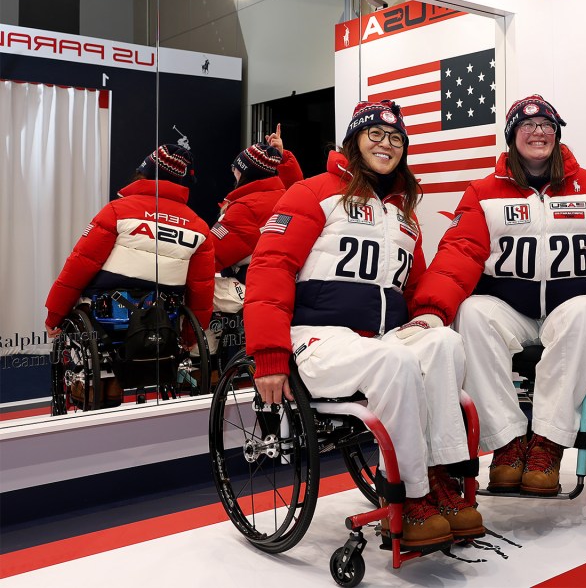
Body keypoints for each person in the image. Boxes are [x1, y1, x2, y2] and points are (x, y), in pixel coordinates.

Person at [405, 94, 586, 497]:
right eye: (527, 126)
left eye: (547, 126)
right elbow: (458, 255)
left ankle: (547, 445)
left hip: (573, 306)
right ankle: (507, 443)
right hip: (511, 309)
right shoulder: (484, 191)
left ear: (557, 135)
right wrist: (431, 311)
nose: (538, 133)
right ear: (511, 136)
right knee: (471, 312)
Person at [244, 100, 483, 552]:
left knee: (445, 344)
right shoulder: (312, 193)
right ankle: (410, 497)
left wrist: (428, 318)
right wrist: (269, 355)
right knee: (393, 360)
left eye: (396, 139)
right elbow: (270, 268)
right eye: (374, 135)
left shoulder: (404, 215)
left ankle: (440, 479)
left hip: (380, 340)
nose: (386, 144)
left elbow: (413, 288)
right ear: (353, 141)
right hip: (316, 338)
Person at [44, 144, 216, 405]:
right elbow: (202, 289)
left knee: (91, 301)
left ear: (145, 174)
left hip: (110, 317)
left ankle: (105, 383)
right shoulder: (199, 227)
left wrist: (54, 315)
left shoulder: (117, 211)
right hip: (164, 318)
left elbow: (79, 266)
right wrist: (190, 337)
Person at [207, 126, 302, 349]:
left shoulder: (245, 208)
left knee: (195, 289)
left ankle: (201, 364)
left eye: (236, 168)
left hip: (257, 289)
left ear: (246, 172)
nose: (233, 172)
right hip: (290, 288)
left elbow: (210, 255)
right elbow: (298, 185)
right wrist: (283, 156)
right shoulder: (288, 197)